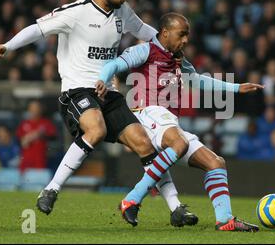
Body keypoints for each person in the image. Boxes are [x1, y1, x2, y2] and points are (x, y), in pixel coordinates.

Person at [0, 0, 196, 227]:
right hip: (77, 90)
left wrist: (169, 46)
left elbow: (145, 31)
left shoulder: (122, 12)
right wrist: (8, 46)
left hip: (109, 91)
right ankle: (51, 189)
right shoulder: (75, 12)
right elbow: (37, 29)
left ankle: (175, 208)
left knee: (144, 144)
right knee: (96, 129)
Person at [98, 12, 264, 231]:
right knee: (179, 143)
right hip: (146, 113)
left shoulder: (178, 58)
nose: (186, 39)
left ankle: (225, 220)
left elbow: (196, 81)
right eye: (181, 34)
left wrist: (236, 88)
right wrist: (101, 79)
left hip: (168, 121)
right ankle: (132, 198)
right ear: (165, 33)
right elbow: (114, 65)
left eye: (187, 35)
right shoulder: (146, 50)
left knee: (215, 163)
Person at [16, 101, 56, 172]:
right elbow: (18, 140)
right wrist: (25, 140)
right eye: (32, 109)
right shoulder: (24, 124)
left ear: (40, 110)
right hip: (25, 163)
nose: (34, 111)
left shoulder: (46, 123)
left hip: (40, 161)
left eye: (36, 109)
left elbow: (53, 137)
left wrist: (42, 135)